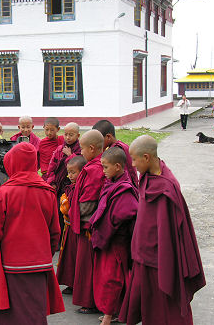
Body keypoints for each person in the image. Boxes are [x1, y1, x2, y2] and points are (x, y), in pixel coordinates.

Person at [119, 135, 206, 325]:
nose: (132, 165)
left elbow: (170, 230)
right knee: (148, 306)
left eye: (134, 159)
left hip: (161, 257)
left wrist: (166, 260)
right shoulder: (148, 176)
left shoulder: (166, 187)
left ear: (147, 157)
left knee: (165, 307)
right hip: (143, 253)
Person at [0, 142, 65, 324]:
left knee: (10, 316)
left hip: (11, 266)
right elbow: (55, 233)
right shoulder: (48, 192)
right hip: (40, 264)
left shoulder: (4, 193)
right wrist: (45, 255)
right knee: (35, 314)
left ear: (12, 163)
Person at [89, 147, 138, 325]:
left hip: (116, 242)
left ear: (118, 166)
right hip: (107, 239)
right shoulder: (113, 182)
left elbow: (126, 212)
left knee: (113, 279)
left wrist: (105, 229)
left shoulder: (125, 189)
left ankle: (109, 315)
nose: (103, 172)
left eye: (105, 167)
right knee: (106, 277)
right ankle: (116, 311)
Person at [69, 129, 106, 314]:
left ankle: (90, 301)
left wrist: (76, 216)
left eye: (82, 149)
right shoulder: (97, 165)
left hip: (88, 226)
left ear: (92, 148)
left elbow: (88, 201)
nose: (80, 152)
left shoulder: (94, 169)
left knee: (88, 265)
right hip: (89, 224)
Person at [56, 155, 86, 295]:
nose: (70, 175)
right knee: (68, 257)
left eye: (73, 172)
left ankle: (77, 284)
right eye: (68, 172)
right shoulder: (70, 187)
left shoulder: (82, 188)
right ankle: (70, 283)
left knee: (76, 257)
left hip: (76, 227)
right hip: (68, 227)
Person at [46, 122, 81, 241]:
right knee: (56, 212)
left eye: (71, 135)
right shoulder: (59, 149)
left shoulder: (80, 150)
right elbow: (52, 167)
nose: (67, 137)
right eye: (65, 134)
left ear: (78, 135)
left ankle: (66, 239)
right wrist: (52, 182)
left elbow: (79, 166)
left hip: (71, 186)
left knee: (67, 213)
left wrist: (70, 155)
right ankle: (56, 238)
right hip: (58, 186)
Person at [92, 119, 138, 187]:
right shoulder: (121, 145)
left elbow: (119, 174)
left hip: (124, 186)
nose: (97, 144)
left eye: (99, 140)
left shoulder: (116, 150)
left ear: (108, 137)